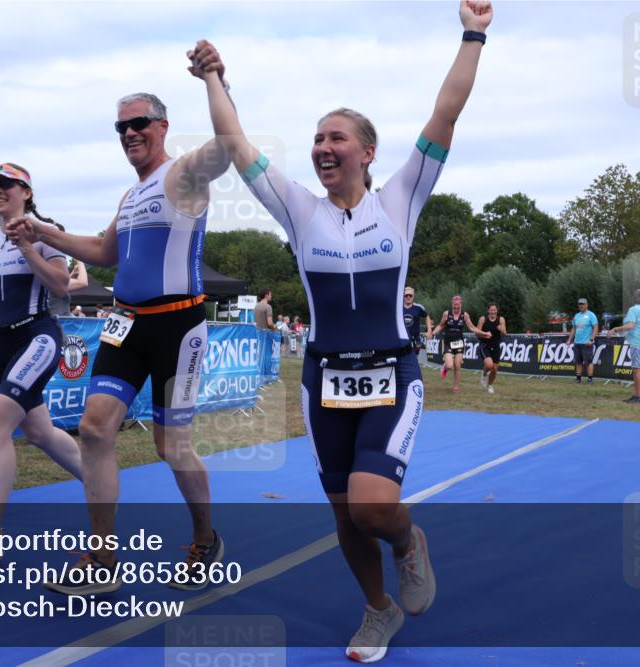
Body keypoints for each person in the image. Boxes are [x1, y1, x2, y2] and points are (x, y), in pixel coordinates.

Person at [189, 0, 491, 659]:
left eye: (336, 138)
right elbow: (237, 144)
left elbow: (447, 111)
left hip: (392, 374)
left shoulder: (402, 198)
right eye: (317, 139)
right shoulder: (299, 209)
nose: (323, 148)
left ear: (367, 151)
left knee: (373, 506)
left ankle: (409, 543)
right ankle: (377, 609)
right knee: (342, 511)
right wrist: (214, 78)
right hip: (324, 377)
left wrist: (473, 33)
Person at [12, 85, 231, 595]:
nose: (130, 133)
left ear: (162, 127)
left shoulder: (184, 175)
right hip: (126, 325)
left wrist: (214, 80)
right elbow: (103, 250)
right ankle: (103, 556)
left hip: (177, 327)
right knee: (93, 430)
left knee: (170, 446)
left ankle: (205, 538)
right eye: (121, 127)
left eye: (139, 124)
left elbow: (228, 141)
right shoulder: (131, 195)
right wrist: (38, 231)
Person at [0, 162, 83, 561]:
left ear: (26, 191)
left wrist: (28, 245)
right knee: (40, 432)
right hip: (1, 343)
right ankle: (101, 482)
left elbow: (61, 285)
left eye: (7, 185)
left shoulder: (44, 231)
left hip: (37, 336)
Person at [431, 295, 488, 393]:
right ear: (452, 304)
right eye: (454, 306)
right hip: (448, 342)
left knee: (457, 365)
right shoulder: (446, 314)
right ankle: (445, 367)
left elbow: (472, 328)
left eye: (458, 305)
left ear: (461, 304)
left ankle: (456, 387)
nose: (456, 308)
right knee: (449, 365)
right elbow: (441, 325)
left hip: (459, 343)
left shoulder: (465, 315)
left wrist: (484, 333)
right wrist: (432, 333)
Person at [566, 297, 598, 384]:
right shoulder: (576, 316)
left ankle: (590, 379)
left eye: (582, 304)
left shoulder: (591, 315)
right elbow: (574, 329)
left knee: (589, 362)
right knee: (578, 362)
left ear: (587, 305)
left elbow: (596, 328)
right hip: (577, 342)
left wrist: (591, 340)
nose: (581, 306)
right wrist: (569, 340)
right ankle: (578, 378)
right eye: (579, 304)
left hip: (586, 343)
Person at [476, 303, 506, 394]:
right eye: (491, 310)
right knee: (489, 365)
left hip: (496, 346)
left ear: (497, 311)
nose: (493, 311)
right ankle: (484, 374)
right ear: (488, 311)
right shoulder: (483, 319)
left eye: (494, 310)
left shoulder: (501, 319)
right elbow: (477, 333)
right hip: (485, 345)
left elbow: (505, 333)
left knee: (494, 370)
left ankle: (490, 386)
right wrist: (485, 334)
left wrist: (501, 330)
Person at [402, 287, 433, 356]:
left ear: (413, 296)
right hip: (402, 338)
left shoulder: (418, 307)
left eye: (410, 295)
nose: (408, 297)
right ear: (403, 296)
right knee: (402, 358)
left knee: (414, 359)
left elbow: (427, 316)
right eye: (406, 295)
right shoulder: (399, 307)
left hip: (415, 339)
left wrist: (429, 330)